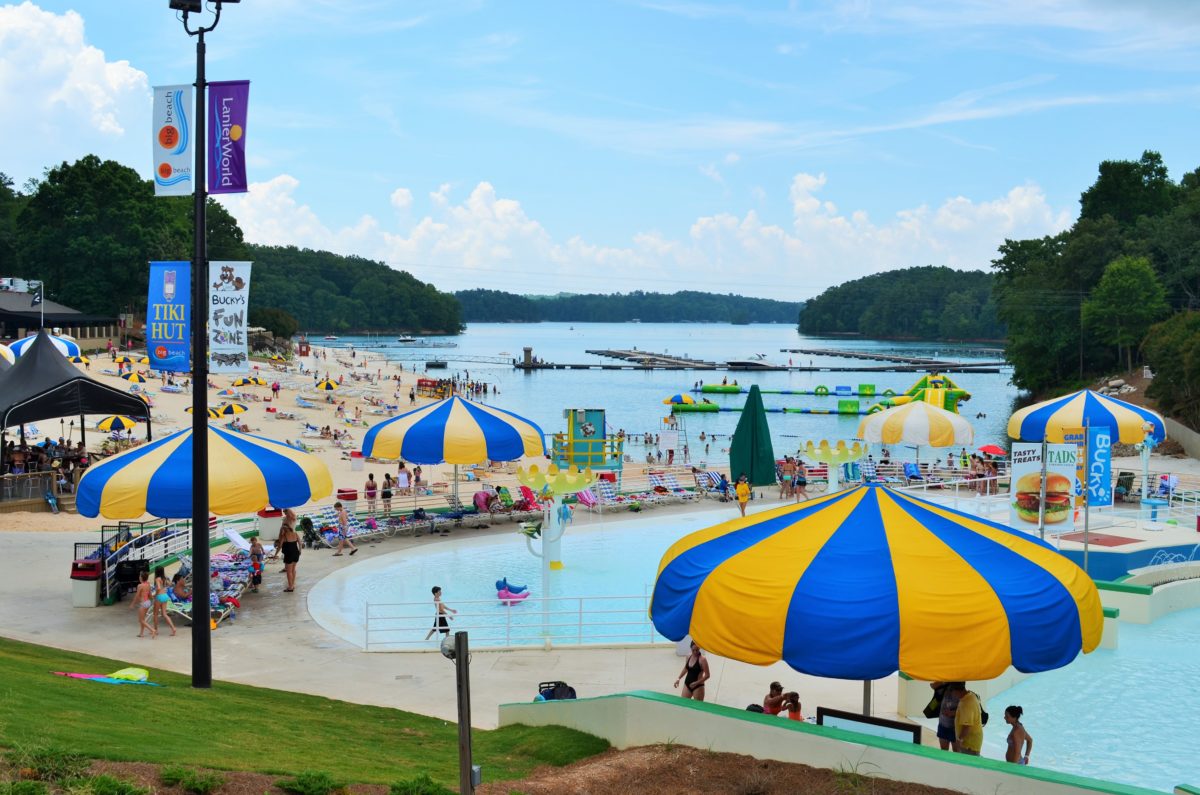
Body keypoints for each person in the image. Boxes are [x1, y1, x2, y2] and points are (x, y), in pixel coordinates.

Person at [950, 682, 984, 756]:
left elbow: (967, 727)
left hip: (969, 745)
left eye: (952, 692)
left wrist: (959, 741)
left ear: (957, 691)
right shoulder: (969, 695)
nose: (952, 695)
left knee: (968, 765)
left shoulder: (967, 703)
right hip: (969, 742)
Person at [931, 681, 960, 751]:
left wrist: (952, 713)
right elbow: (932, 685)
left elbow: (964, 709)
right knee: (943, 750)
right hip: (943, 725)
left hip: (955, 727)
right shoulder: (944, 685)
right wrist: (945, 681)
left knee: (957, 751)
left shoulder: (959, 687)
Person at [278, 508, 301, 592]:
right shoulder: (294, 533)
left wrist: (275, 554)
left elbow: (280, 545)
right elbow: (300, 542)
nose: (285, 513)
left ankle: (290, 586)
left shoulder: (285, 535)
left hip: (289, 550)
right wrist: (300, 550)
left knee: (289, 571)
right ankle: (292, 585)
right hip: (295, 550)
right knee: (293, 569)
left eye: (286, 511)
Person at [151, 565, 176, 636]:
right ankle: (173, 628)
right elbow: (170, 584)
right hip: (165, 596)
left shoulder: (157, 579)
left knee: (155, 614)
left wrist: (155, 594)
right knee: (164, 614)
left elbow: (158, 588)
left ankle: (155, 630)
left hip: (159, 596)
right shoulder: (164, 578)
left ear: (156, 572)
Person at [132, 570, 156, 638]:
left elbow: (137, 596)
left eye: (140, 576)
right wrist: (153, 598)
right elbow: (150, 595)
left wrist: (133, 603)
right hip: (148, 602)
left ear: (141, 578)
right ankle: (141, 633)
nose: (139, 577)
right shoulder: (148, 584)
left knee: (141, 620)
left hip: (143, 603)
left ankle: (152, 630)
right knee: (143, 619)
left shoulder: (140, 585)